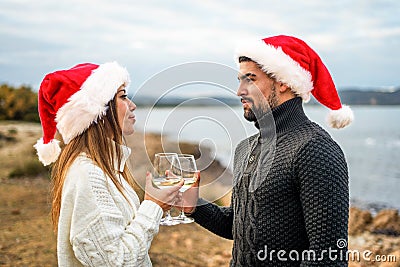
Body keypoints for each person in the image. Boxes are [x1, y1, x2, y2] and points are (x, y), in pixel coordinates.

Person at [181, 35, 353, 266]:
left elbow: (328, 258)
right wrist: (195, 206)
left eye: (250, 80)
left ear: (283, 82)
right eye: (240, 80)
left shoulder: (315, 149)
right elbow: (241, 226)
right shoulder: (246, 148)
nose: (239, 91)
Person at [34, 62, 183, 266]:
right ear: (98, 112)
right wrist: (153, 206)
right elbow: (115, 260)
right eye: (122, 96)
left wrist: (161, 205)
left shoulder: (104, 168)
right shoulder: (88, 175)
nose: (132, 105)